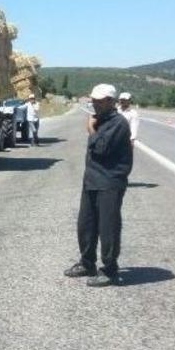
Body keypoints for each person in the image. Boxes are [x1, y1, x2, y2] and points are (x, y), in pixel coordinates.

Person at [65, 84, 133, 287]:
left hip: (110, 182)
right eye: (93, 101)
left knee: (108, 228)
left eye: (100, 101)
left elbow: (102, 148)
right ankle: (87, 263)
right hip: (92, 181)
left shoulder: (118, 123)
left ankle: (110, 270)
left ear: (111, 102)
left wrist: (91, 129)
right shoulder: (101, 119)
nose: (95, 104)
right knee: (85, 225)